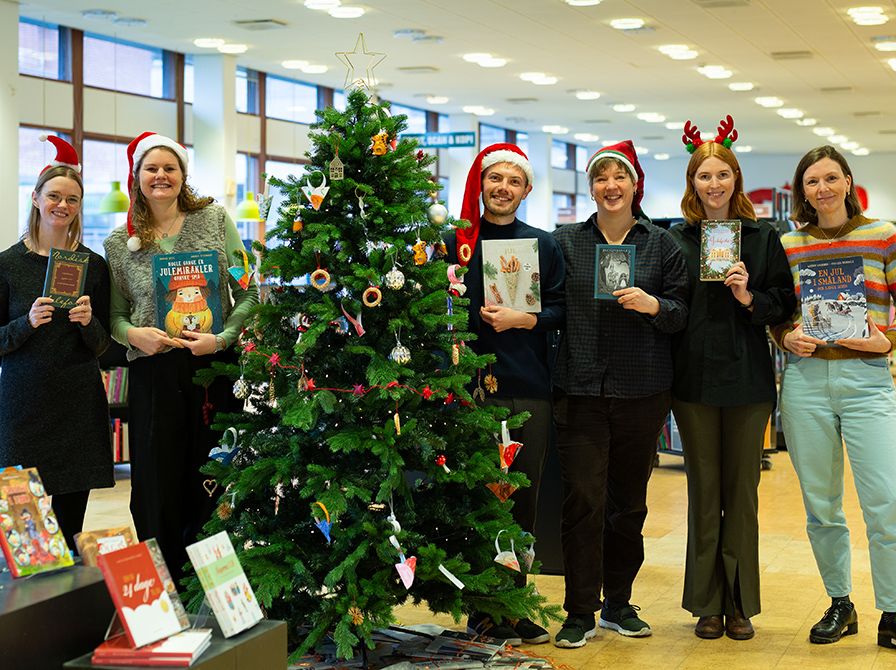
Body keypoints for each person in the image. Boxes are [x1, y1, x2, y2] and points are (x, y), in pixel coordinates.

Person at [103, 132, 259, 582]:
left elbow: (248, 290)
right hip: (153, 374)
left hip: (211, 371)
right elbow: (115, 316)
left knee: (211, 479)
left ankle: (215, 589)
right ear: (137, 177)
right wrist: (135, 335)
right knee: (156, 487)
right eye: (151, 168)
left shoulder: (214, 220)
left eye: (169, 168)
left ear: (183, 174)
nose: (161, 176)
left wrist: (224, 337)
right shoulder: (119, 242)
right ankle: (165, 589)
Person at [551, 140, 689, 648]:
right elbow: (549, 306)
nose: (610, 186)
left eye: (619, 177)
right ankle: (579, 610)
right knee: (582, 501)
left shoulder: (662, 244)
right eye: (601, 178)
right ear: (592, 188)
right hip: (580, 388)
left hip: (642, 389)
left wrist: (654, 305)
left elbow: (681, 315)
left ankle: (617, 603)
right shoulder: (565, 243)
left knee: (628, 505)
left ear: (635, 186)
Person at [668, 118, 796, 641]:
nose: (714, 184)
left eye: (723, 175)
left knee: (741, 493)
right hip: (693, 382)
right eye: (705, 176)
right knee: (703, 491)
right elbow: (669, 307)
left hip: (747, 382)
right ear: (692, 182)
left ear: (736, 180)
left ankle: (740, 602)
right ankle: (706, 603)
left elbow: (785, 303)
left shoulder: (764, 238)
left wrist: (749, 298)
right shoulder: (674, 239)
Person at [772, 145, 896, 650]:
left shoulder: (883, 235)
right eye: (810, 181)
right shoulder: (787, 244)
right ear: (801, 190)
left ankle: (892, 607)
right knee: (821, 506)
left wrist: (888, 340)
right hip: (806, 383)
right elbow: (776, 311)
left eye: (830, 178)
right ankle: (840, 603)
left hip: (868, 379)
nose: (821, 189)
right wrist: (784, 337)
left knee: (884, 502)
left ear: (847, 181)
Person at [445, 143, 565, 646]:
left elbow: (562, 310)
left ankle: (514, 602)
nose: (503, 189)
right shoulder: (455, 244)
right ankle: (481, 608)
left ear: (527, 190)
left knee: (523, 501)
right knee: (478, 500)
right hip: (472, 391)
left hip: (530, 389)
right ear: (481, 183)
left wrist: (526, 318)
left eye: (514, 181)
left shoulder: (542, 245)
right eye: (495, 179)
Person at [0, 135, 113, 549]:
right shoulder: (7, 265)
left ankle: (67, 610)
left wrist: (87, 324)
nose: (62, 206)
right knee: (26, 539)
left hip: (76, 407)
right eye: (54, 196)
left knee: (69, 530)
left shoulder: (94, 266)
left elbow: (105, 346)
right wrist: (25, 324)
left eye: (72, 199)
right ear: (35, 197)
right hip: (23, 407)